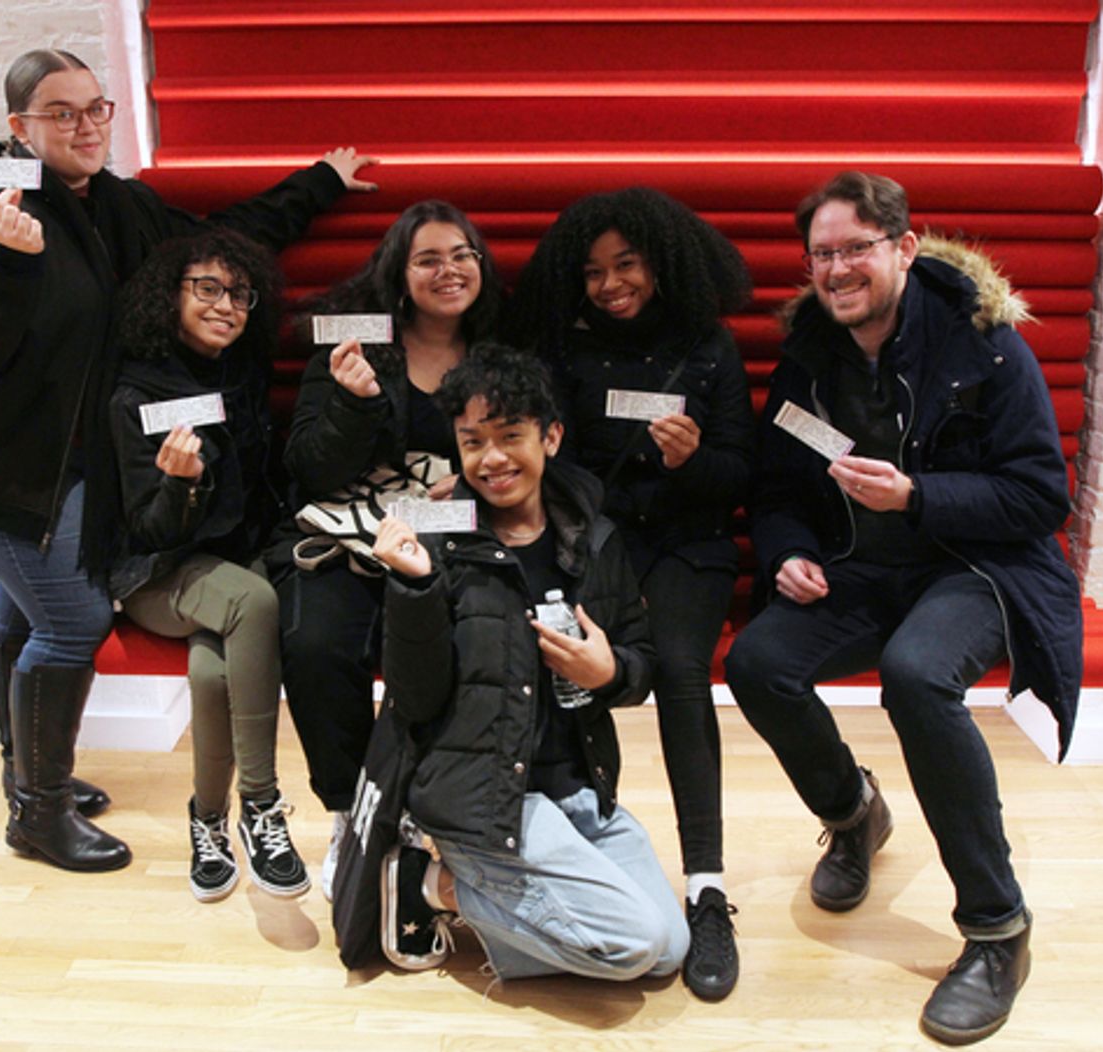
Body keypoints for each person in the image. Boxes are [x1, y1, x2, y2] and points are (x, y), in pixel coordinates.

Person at [0, 47, 377, 872]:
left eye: (98, 109)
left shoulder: (121, 207)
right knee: (71, 620)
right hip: (7, 470)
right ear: (20, 126)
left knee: (17, 615)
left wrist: (321, 183)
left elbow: (223, 241)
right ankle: (39, 814)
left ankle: (24, 773)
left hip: (86, 461)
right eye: (63, 113)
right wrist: (6, 261)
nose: (87, 126)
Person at [723, 171, 1083, 1044]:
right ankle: (854, 816)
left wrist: (917, 497)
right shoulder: (811, 356)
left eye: (856, 249)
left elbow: (1040, 498)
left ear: (904, 249)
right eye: (822, 255)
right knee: (756, 665)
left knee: (917, 676)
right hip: (860, 566)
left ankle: (998, 930)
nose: (838, 269)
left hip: (979, 567)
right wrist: (791, 552)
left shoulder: (987, 347)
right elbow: (777, 488)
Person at [504, 187, 756, 1000]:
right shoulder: (566, 351)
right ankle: (556, 842)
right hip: (600, 542)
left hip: (689, 543)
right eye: (594, 272)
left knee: (682, 671)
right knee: (542, 660)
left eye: (627, 265)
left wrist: (688, 463)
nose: (611, 284)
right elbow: (553, 464)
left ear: (662, 263)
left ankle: (706, 887)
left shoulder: (710, 348)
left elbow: (738, 477)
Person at [370, 347, 689, 982]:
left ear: (551, 436)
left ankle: (471, 899)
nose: (492, 460)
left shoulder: (595, 537)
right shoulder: (439, 540)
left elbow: (641, 661)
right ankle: (431, 882)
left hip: (581, 789)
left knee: (668, 954)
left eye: (510, 436)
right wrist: (413, 589)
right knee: (632, 947)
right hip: (488, 800)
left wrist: (609, 674)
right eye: (472, 441)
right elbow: (416, 697)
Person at [267, 200, 504, 900]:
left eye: (462, 254)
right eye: (428, 259)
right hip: (343, 531)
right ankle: (352, 810)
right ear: (399, 276)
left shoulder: (498, 350)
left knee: (461, 647)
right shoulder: (356, 345)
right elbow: (308, 466)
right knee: (315, 644)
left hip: (452, 536)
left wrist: (474, 479)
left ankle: (432, 809)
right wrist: (355, 403)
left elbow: (531, 450)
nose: (449, 270)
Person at [108, 227, 309, 901]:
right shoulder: (134, 394)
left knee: (211, 667)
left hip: (228, 560)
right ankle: (261, 805)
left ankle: (206, 820)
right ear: (171, 294)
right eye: (208, 288)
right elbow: (148, 529)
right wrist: (180, 483)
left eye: (239, 293)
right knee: (252, 603)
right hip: (157, 573)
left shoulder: (239, 374)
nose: (226, 304)